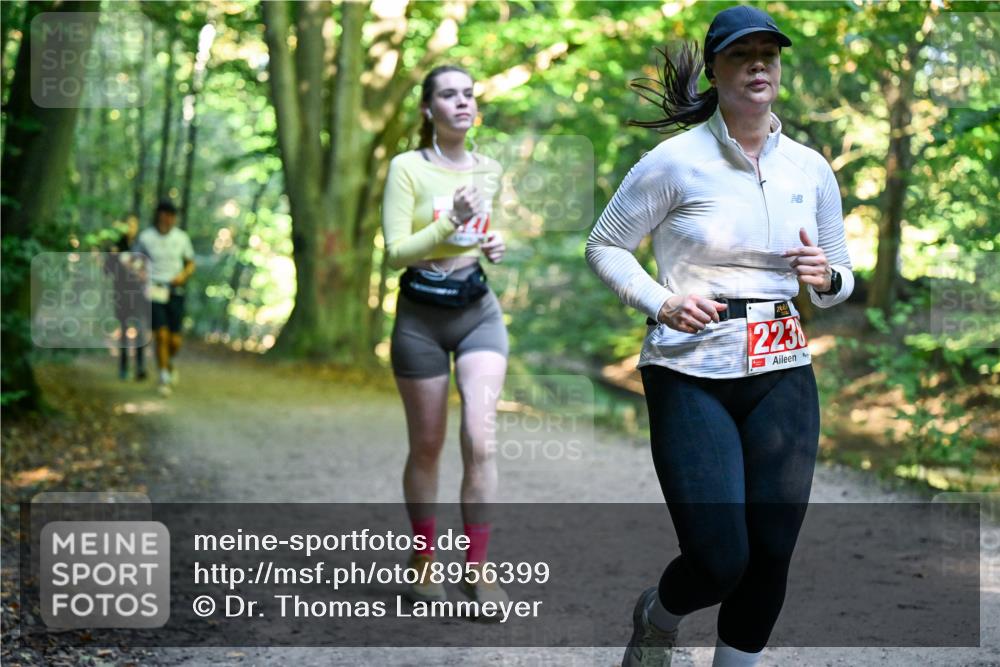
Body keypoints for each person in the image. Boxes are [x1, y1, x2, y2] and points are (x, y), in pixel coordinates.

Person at [586, 6, 854, 667]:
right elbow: (606, 245)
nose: (758, 63)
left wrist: (829, 278)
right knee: (719, 555)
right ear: (716, 70)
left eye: (769, 53)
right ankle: (659, 613)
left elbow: (838, 274)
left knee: (770, 551)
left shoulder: (810, 168)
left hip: (783, 366)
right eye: (742, 54)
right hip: (689, 369)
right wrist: (660, 298)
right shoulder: (673, 162)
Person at [381, 65, 509, 608]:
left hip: (477, 311)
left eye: (468, 94)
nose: (462, 102)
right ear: (428, 109)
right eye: (449, 94)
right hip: (419, 319)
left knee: (480, 440)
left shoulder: (490, 169)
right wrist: (448, 224)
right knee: (428, 445)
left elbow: (475, 237)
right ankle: (423, 556)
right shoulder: (406, 168)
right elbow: (394, 253)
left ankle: (477, 571)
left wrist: (490, 243)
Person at [133, 200, 196, 397]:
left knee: (175, 340)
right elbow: (135, 262)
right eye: (164, 214)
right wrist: (140, 274)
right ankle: (163, 378)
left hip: (175, 291)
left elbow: (190, 263)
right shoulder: (146, 237)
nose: (167, 218)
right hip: (154, 290)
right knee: (161, 335)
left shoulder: (182, 238)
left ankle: (169, 363)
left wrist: (183, 277)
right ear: (158, 215)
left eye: (171, 215)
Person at [104, 213, 148, 381]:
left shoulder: (141, 247)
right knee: (122, 332)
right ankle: (123, 368)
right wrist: (112, 256)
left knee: (140, 331)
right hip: (121, 294)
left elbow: (147, 269)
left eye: (134, 224)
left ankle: (140, 367)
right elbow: (107, 272)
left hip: (138, 294)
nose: (131, 228)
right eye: (128, 224)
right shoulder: (116, 246)